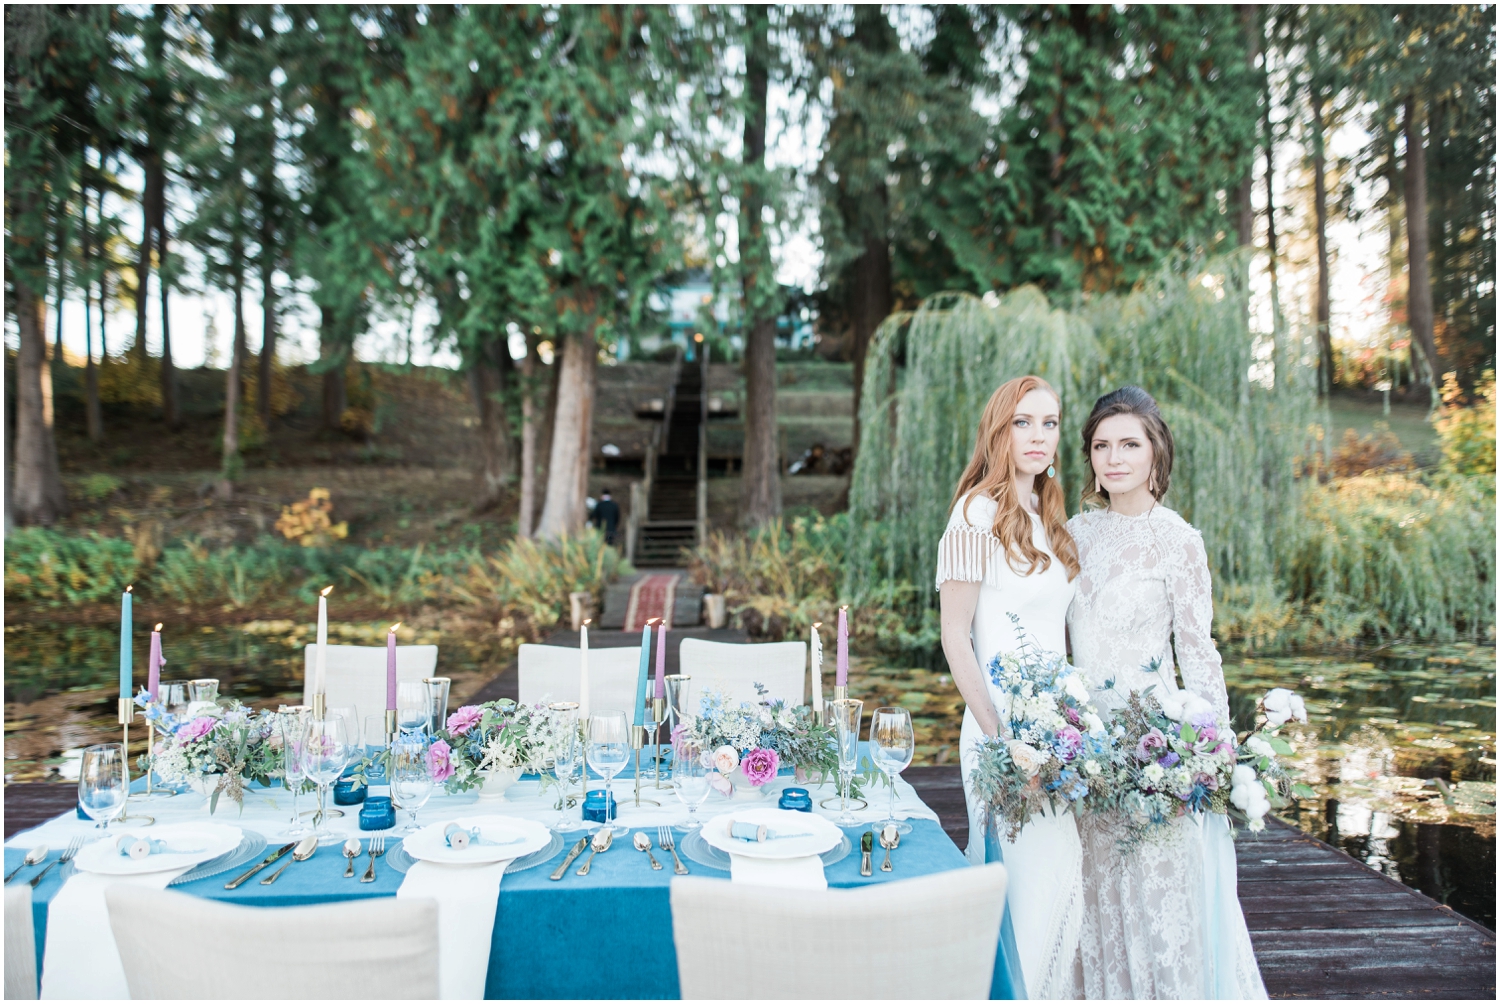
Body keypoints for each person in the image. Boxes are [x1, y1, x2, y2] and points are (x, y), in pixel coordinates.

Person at [1065, 386, 1267, 999]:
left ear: (1157, 452)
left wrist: (1218, 753)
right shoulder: (1072, 533)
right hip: (1085, 749)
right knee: (1096, 895)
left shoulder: (1178, 540)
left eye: (1129, 443)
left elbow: (1199, 652)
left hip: (1155, 745)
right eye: (1101, 445)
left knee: (1157, 892)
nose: (1113, 458)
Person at [938, 375, 1082, 1000]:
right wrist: (1005, 740)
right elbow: (955, 637)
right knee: (1023, 885)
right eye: (1023, 422)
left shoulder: (1049, 514)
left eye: (1049, 423)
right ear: (999, 430)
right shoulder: (975, 512)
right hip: (1003, 733)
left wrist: (1076, 724)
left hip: (1061, 731)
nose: (1038, 436)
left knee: (1059, 883)